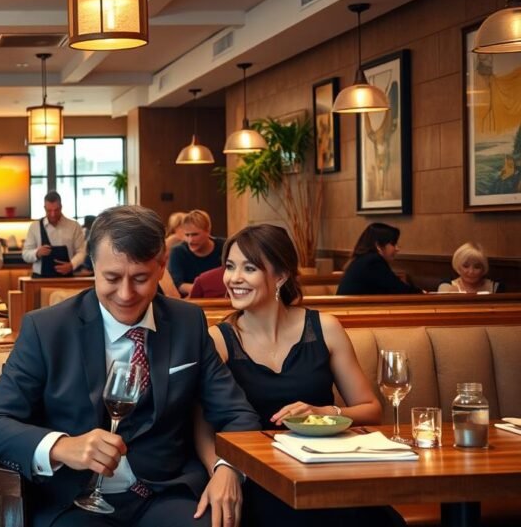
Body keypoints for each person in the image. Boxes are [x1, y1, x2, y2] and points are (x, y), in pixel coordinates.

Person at [0, 205, 259, 527]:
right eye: (112, 278)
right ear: (93, 266)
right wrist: (63, 446)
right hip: (73, 502)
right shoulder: (46, 329)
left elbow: (237, 413)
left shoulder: (187, 322)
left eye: (140, 278)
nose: (125, 294)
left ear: (162, 266)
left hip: (165, 493)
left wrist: (227, 469)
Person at [200, 224, 400, 527]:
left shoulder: (326, 328)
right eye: (229, 267)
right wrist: (219, 469)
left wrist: (325, 412)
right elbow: (201, 425)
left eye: (249, 268)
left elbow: (371, 410)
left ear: (280, 275)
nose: (233, 278)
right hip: (258, 475)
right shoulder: (219, 339)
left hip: (324, 469)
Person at [336, 223, 420, 295]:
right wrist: (422, 293)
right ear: (378, 246)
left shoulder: (363, 259)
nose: (397, 248)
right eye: (393, 244)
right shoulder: (373, 262)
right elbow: (398, 289)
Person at [22, 191, 87, 278]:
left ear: (61, 207)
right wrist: (37, 253)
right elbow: (25, 254)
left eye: (56, 210)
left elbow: (82, 252)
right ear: (44, 208)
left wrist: (72, 265)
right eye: (49, 211)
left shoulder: (74, 226)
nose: (53, 214)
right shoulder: (35, 227)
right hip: (39, 279)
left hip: (67, 279)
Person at [167, 210, 225, 296]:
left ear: (208, 231)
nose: (190, 240)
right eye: (187, 235)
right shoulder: (178, 251)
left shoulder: (224, 247)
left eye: (195, 235)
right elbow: (177, 283)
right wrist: (201, 289)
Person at [438, 242, 503, 293]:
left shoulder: (496, 288)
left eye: (477, 267)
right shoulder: (446, 287)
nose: (471, 271)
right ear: (458, 266)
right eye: (466, 266)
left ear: (483, 268)